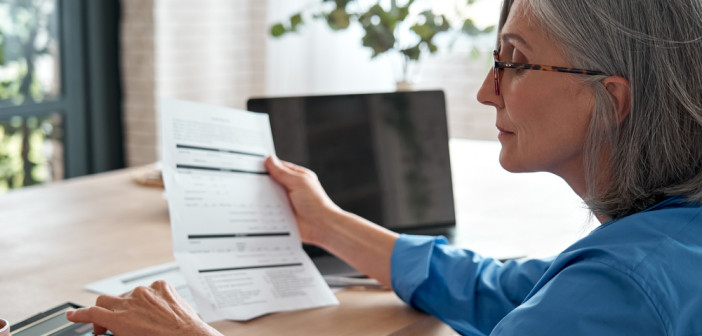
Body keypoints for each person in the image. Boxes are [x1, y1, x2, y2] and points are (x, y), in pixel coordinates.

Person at [67, 0, 702, 334]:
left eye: (515, 60)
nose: (487, 89)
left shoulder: (619, 292)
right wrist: (328, 224)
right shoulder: (662, 248)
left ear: (610, 100)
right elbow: (502, 290)